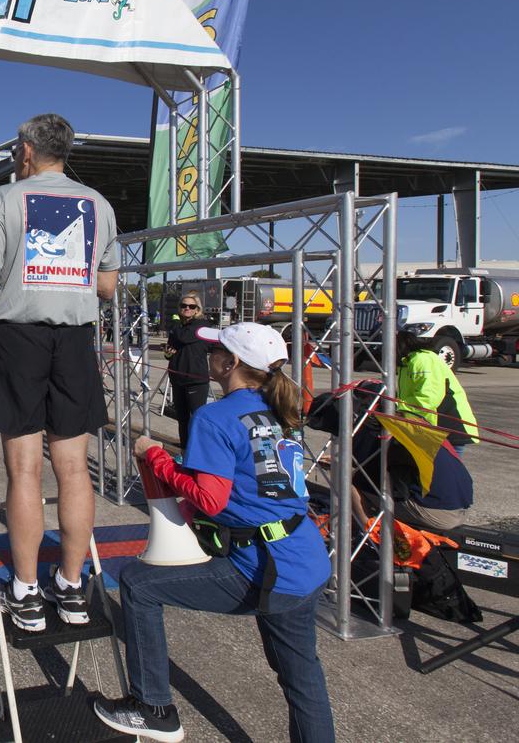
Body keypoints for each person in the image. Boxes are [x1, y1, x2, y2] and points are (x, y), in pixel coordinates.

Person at [93, 322, 334, 743]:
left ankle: (153, 708)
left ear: (231, 363)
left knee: (139, 584)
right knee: (302, 678)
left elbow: (210, 500)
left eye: (215, 350)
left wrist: (159, 458)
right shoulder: (278, 409)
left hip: (265, 568)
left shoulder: (214, 416)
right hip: (306, 558)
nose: (208, 356)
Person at [0, 113, 119, 634]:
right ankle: (72, 584)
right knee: (75, 470)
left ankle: (26, 590)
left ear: (27, 152)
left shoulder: (4, 199)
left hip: (20, 338)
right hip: (77, 339)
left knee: (24, 471)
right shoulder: (98, 205)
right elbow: (107, 288)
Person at [391, 329, 478, 530]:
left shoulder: (422, 360)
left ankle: (446, 520)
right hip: (430, 429)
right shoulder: (407, 364)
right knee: (428, 481)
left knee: (445, 480)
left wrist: (398, 412)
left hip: (449, 427)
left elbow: (427, 398)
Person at [165, 290, 211, 449]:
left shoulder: (201, 326)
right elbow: (171, 348)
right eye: (184, 306)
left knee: (197, 419)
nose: (187, 309)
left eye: (192, 306)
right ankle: (185, 451)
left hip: (195, 380)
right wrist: (168, 354)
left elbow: (184, 337)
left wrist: (175, 328)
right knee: (182, 419)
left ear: (198, 310)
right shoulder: (178, 327)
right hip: (178, 379)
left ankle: (200, 451)